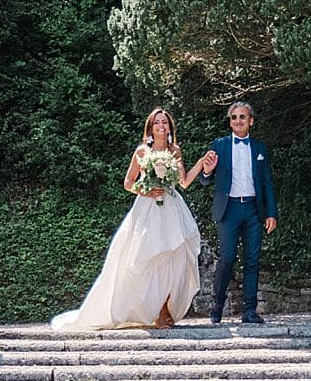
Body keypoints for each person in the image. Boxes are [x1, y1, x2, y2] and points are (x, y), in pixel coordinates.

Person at [52, 108, 213, 331]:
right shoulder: (141, 151)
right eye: (157, 122)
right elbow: (129, 183)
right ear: (150, 127)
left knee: (173, 260)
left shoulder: (174, 150)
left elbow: (183, 182)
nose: (161, 126)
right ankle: (157, 312)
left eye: (165, 122)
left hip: (172, 208)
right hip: (148, 210)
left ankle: (166, 310)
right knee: (150, 259)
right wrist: (147, 191)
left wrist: (202, 163)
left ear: (169, 127)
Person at [197, 101, 277, 324]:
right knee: (227, 257)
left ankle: (249, 311)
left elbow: (267, 183)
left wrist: (272, 213)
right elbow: (205, 180)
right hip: (229, 209)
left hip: (253, 209)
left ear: (250, 121)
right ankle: (216, 305)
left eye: (242, 117)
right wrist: (206, 170)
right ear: (230, 122)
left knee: (252, 259)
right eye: (234, 117)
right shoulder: (219, 145)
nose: (238, 121)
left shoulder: (260, 148)